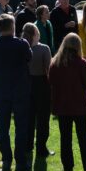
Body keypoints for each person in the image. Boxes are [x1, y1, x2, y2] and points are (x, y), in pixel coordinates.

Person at [49, 33, 86, 171]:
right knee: (84, 139)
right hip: (79, 106)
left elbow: (51, 82)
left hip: (62, 106)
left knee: (65, 139)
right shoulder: (81, 63)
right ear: (78, 46)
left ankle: (68, 168)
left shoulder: (55, 63)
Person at [0, 14, 32, 171]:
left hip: (1, 89)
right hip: (20, 89)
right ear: (13, 27)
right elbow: (29, 58)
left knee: (3, 126)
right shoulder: (21, 44)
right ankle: (20, 161)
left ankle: (6, 159)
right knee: (21, 126)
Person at [22, 23, 54, 158]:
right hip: (41, 84)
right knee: (43, 118)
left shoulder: (21, 47)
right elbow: (49, 70)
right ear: (36, 34)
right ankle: (41, 148)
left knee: (29, 117)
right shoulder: (43, 49)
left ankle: (28, 145)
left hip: (26, 84)